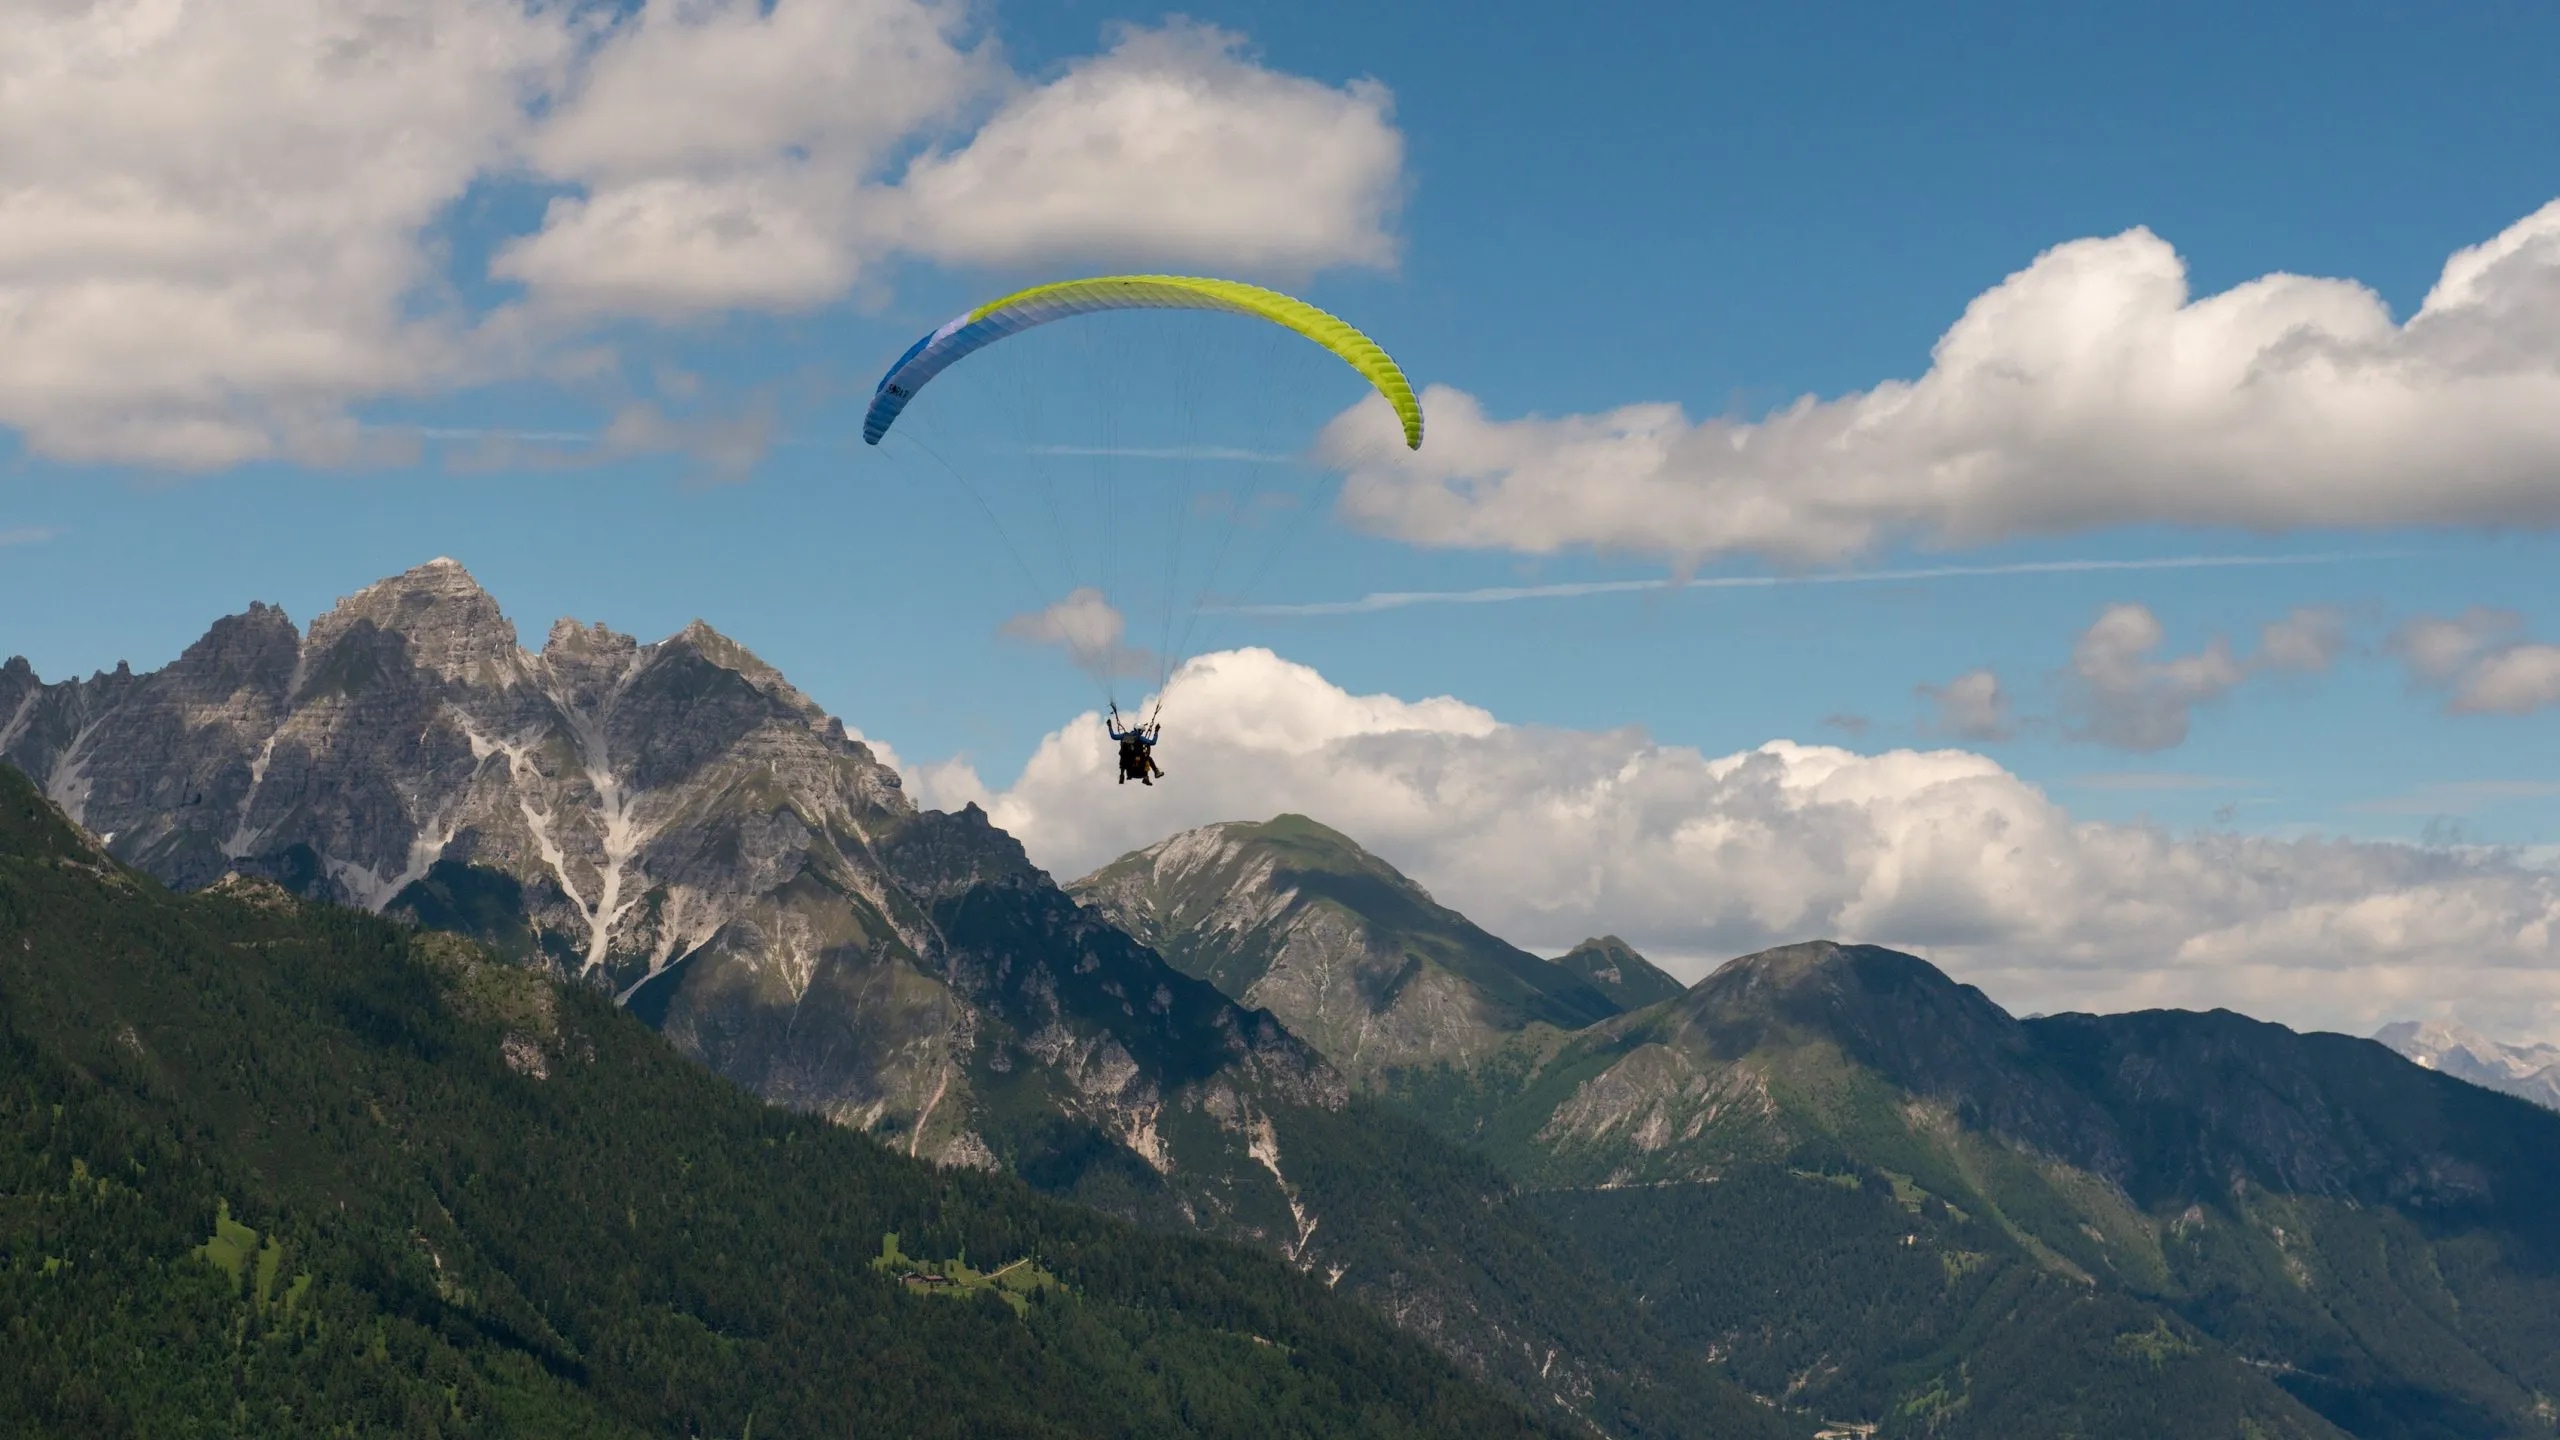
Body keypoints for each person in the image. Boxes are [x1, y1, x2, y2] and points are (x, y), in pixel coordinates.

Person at [1107, 706, 1165, 786]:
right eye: (1141, 731)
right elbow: (1153, 742)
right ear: (1139, 731)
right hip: (1139, 768)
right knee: (1147, 756)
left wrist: (1110, 727)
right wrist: (1156, 732)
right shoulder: (1139, 738)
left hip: (1128, 768)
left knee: (1125, 755)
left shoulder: (1125, 736)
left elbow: (1113, 736)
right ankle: (1154, 772)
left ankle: (1122, 775)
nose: (1142, 733)